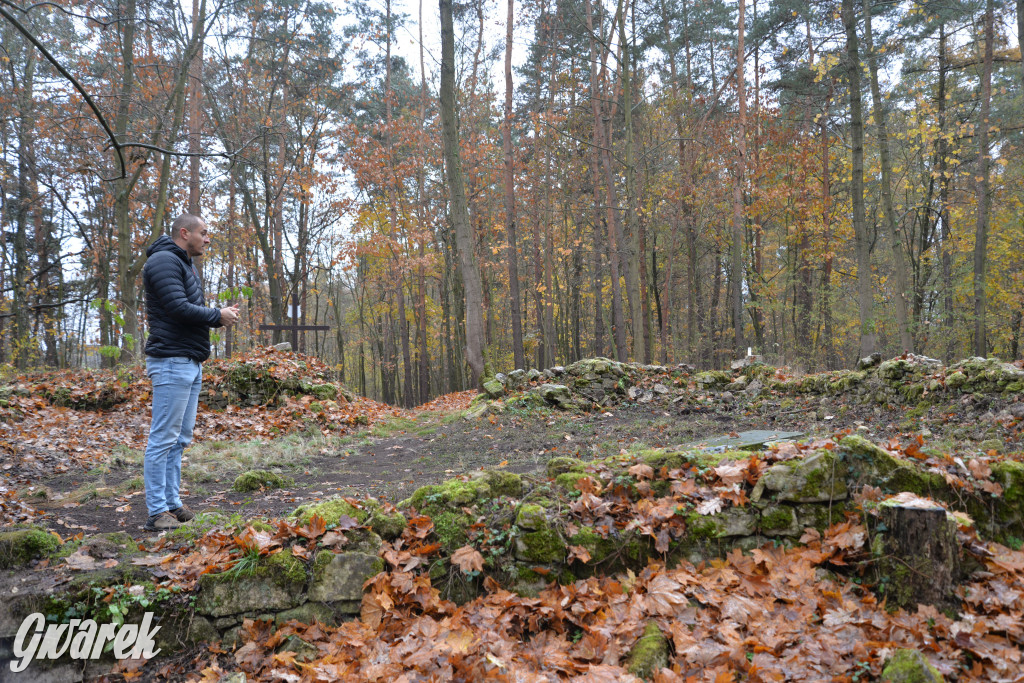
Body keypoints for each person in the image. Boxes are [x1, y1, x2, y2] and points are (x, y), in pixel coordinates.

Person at [141, 213, 239, 532]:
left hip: (188, 362)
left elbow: (183, 308)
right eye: (204, 233)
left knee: (179, 439)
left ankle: (172, 504)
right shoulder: (163, 262)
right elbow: (178, 308)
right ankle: (157, 511)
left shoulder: (183, 263)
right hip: (171, 360)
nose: (208, 238)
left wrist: (214, 317)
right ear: (185, 233)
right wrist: (217, 315)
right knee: (163, 438)